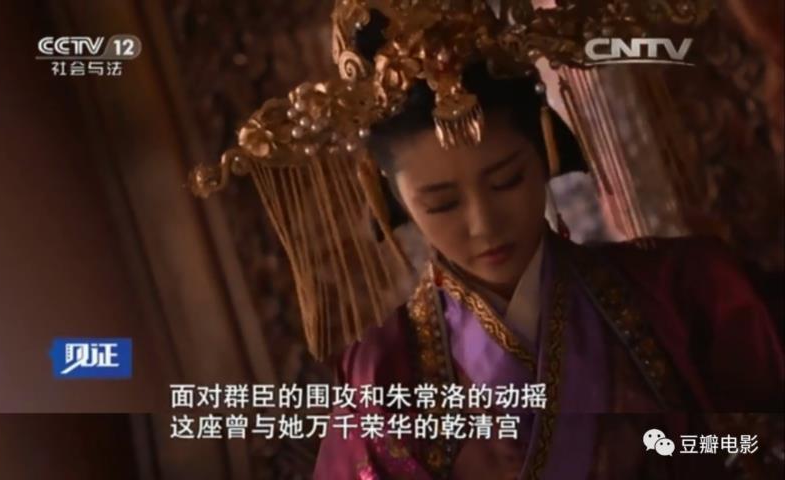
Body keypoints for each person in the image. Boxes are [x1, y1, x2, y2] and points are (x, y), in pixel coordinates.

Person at [189, 3, 784, 479]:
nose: (483, 223)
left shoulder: (686, 291)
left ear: (546, 147)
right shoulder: (382, 379)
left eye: (506, 181)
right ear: (388, 195)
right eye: (441, 203)